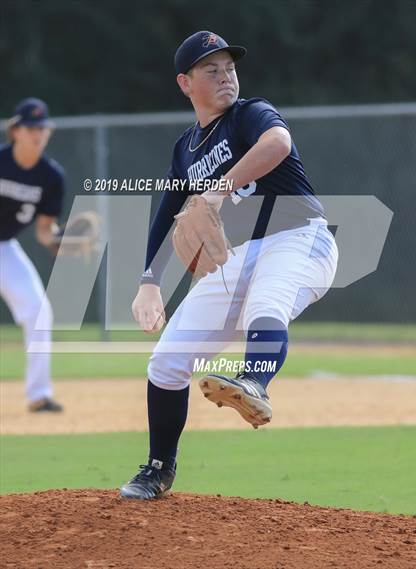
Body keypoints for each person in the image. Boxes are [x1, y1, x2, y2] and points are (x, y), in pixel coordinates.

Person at [121, 31, 338, 499]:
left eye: (230, 68)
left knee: (267, 300)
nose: (225, 77)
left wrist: (219, 187)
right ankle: (159, 469)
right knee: (166, 362)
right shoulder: (185, 149)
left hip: (300, 236)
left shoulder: (248, 114)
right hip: (239, 259)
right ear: (185, 83)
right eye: (211, 70)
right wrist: (148, 281)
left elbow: (278, 143)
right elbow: (168, 212)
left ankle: (254, 383)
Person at [0, 98, 65, 412]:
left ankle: (38, 395)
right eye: (29, 127)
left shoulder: (51, 177)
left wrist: (60, 241)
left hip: (4, 248)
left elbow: (43, 230)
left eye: (41, 127)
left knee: (39, 310)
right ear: (15, 131)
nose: (36, 132)